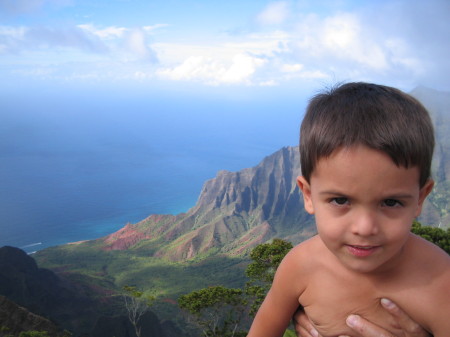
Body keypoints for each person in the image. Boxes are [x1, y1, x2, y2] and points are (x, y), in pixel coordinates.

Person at [247, 82, 450, 337]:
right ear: (308, 195)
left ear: (420, 199)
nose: (364, 227)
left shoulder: (441, 283)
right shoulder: (299, 267)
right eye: (341, 201)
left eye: (390, 202)